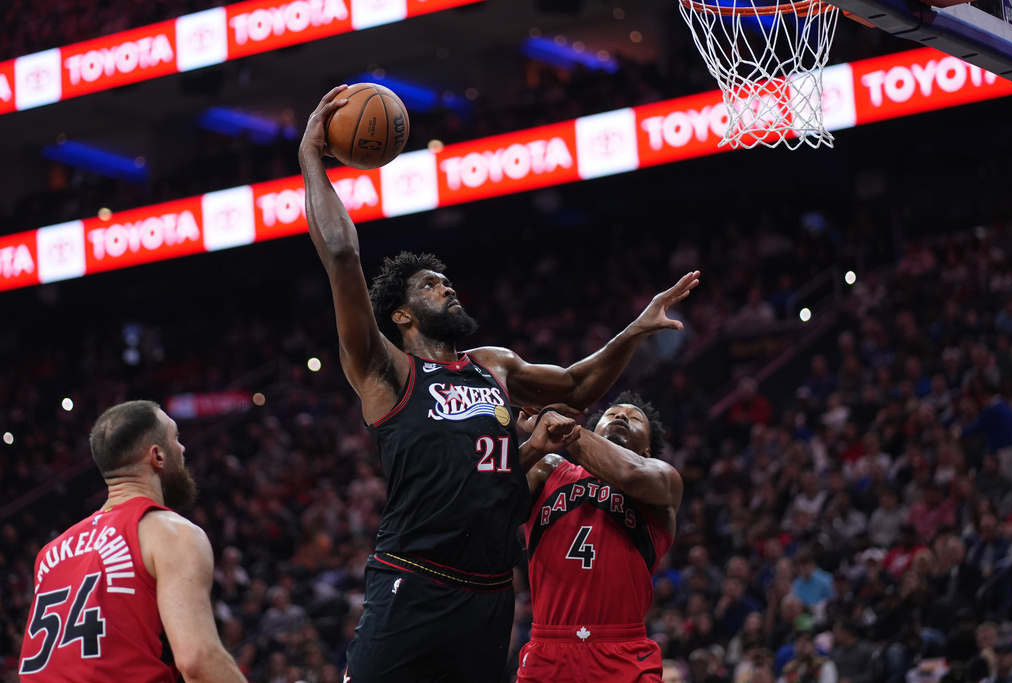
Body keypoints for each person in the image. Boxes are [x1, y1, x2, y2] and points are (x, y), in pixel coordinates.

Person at [298, 87, 701, 682]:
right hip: (415, 577)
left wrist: (635, 330)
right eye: (431, 285)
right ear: (402, 316)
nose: (448, 287)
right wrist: (311, 157)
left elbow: (578, 385)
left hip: (489, 594)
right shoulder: (386, 369)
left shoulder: (495, 365)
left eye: (447, 280)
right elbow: (341, 255)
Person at [18, 400, 246, 683]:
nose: (183, 448)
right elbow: (197, 660)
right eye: (176, 437)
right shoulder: (171, 533)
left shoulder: (49, 554)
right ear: (157, 456)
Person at [515, 392, 684, 682]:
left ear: (646, 450)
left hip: (623, 652)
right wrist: (534, 442)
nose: (620, 416)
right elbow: (491, 497)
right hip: (549, 648)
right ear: (592, 431)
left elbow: (629, 474)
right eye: (613, 413)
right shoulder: (550, 467)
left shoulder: (663, 479)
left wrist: (555, 424)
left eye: (633, 418)